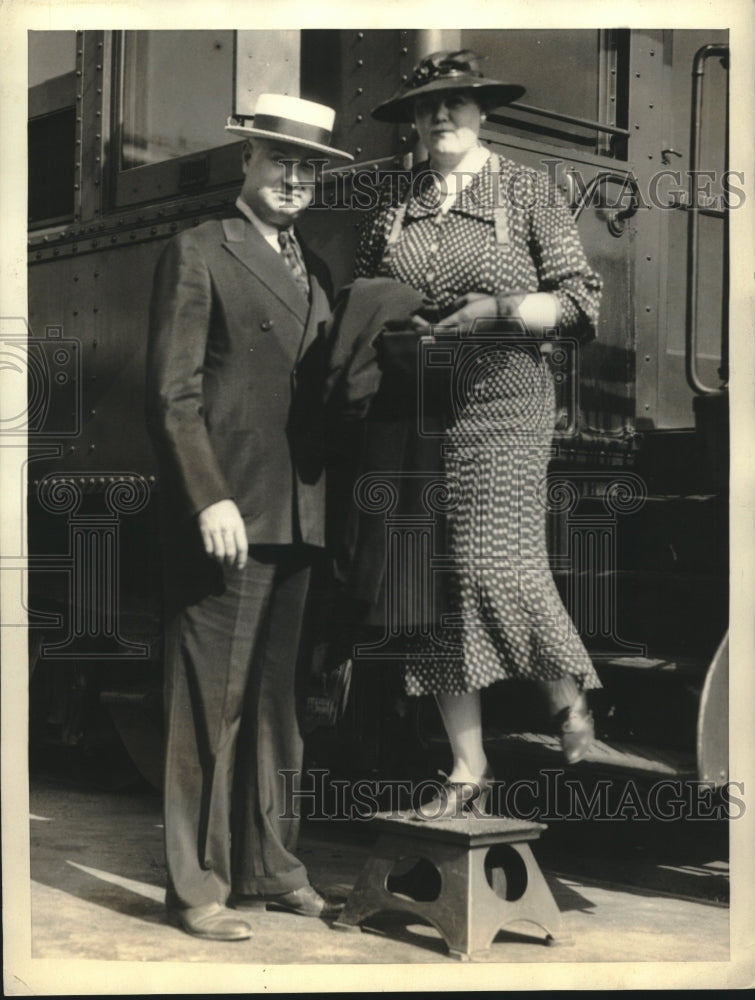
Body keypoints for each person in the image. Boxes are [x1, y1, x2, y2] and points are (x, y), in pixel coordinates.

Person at [330, 50, 603, 819]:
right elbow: (365, 300)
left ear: (483, 112)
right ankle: (466, 765)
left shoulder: (527, 190)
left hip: (504, 400)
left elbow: (581, 304)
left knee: (496, 562)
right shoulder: (394, 205)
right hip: (418, 405)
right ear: (413, 122)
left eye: (455, 103)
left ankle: (566, 697)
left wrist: (499, 309)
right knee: (428, 582)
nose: (439, 115)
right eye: (426, 107)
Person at [146, 94, 352, 940]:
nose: (295, 178)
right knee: (207, 707)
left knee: (276, 709)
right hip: (230, 513)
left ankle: (272, 868)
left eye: (309, 168)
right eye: (281, 161)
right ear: (247, 161)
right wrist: (209, 496)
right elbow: (173, 394)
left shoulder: (318, 268)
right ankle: (195, 887)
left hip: (299, 514)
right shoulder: (200, 250)